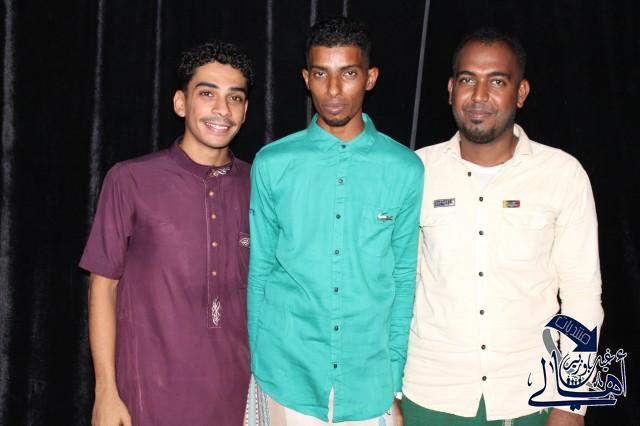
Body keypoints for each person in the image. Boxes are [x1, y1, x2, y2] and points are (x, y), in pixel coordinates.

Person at [403, 28, 604, 426]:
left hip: (530, 398)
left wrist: (572, 403)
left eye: (497, 81)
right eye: (467, 80)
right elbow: (397, 288)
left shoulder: (562, 175)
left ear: (521, 92)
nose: (479, 96)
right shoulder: (415, 172)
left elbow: (582, 294)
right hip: (430, 395)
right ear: (450, 89)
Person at [247, 16, 424, 425]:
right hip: (284, 375)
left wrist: (393, 377)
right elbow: (261, 270)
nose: (333, 90)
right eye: (320, 74)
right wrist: (258, 364)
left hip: (367, 383)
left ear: (370, 78)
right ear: (306, 78)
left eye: (348, 73)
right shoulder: (273, 163)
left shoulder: (404, 168)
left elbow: (403, 277)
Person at [80, 41, 254, 426]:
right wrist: (105, 391)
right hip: (147, 398)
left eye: (235, 98)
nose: (222, 109)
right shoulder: (130, 179)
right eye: (207, 94)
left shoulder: (258, 186)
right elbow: (102, 287)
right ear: (180, 103)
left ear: (245, 111)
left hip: (237, 399)